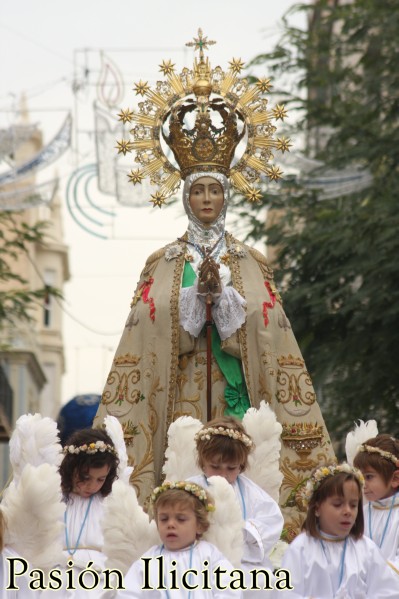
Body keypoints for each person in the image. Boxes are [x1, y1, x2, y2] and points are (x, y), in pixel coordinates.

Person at [94, 29, 335, 534]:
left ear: (227, 195)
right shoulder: (162, 261)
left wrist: (224, 301)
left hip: (236, 395)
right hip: (178, 396)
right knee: (180, 478)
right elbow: (146, 325)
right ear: (186, 196)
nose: (206, 199)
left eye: (214, 190)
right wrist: (190, 302)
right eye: (198, 190)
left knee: (241, 499)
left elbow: (269, 333)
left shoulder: (249, 261)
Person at [278, 463, 398, 598]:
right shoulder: (300, 549)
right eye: (337, 504)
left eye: (353, 505)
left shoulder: (367, 550)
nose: (347, 511)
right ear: (316, 508)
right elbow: (287, 593)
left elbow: (387, 592)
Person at [187, 416, 283, 575]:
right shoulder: (190, 489)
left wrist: (240, 530)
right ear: (203, 462)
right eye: (215, 467)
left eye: (231, 468)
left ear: (241, 466)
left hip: (240, 564)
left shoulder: (251, 492)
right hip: (198, 562)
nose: (223, 475)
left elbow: (271, 520)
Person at [118, 481, 242, 599]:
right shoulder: (149, 560)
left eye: (181, 519)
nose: (170, 524)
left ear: (199, 525)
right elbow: (128, 593)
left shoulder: (209, 554)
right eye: (164, 519)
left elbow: (229, 590)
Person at [59, 428, 119, 584]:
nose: (92, 486)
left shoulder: (109, 503)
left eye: (101, 479)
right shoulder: (54, 499)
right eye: (85, 477)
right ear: (71, 468)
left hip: (98, 582)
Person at [352, 434, 399, 570]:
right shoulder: (360, 513)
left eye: (369, 477)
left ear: (395, 479)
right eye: (359, 477)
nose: (362, 483)